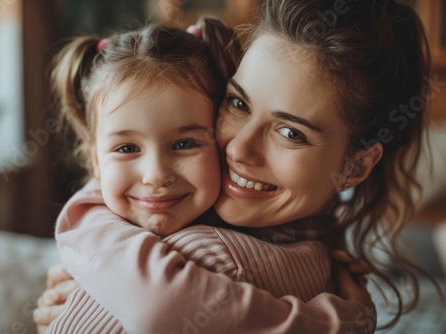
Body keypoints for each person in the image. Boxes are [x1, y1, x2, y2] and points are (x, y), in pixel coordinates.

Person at [36, 0, 440, 331]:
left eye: (291, 133)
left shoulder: (212, 254)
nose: (238, 149)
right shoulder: (314, 256)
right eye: (238, 103)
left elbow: (156, 306)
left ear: (354, 167)